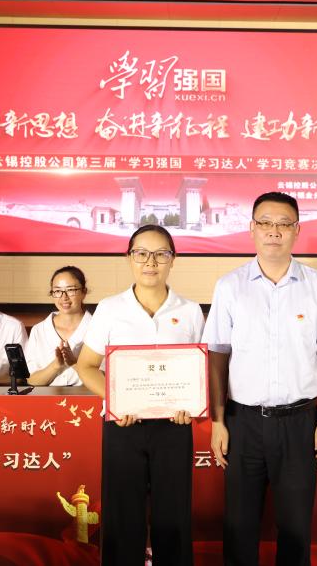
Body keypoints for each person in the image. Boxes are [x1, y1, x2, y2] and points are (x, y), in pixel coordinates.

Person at [205, 192, 317, 566]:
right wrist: (218, 421)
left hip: (299, 422)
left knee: (296, 528)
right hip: (242, 422)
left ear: (297, 230)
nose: (274, 231)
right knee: (239, 526)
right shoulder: (230, 286)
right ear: (252, 228)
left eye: (284, 224)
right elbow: (218, 356)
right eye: (266, 223)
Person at [73, 225, 204, 566]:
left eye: (161, 254)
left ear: (173, 259)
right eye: (141, 254)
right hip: (123, 426)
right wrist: (118, 402)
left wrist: (191, 406)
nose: (151, 262)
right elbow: (86, 366)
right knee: (122, 518)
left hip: (174, 427)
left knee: (173, 517)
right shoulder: (110, 308)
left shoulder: (189, 310)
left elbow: (199, 370)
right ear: (129, 258)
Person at [26, 265, 91, 386]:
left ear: (84, 292)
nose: (64, 297)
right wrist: (55, 366)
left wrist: (74, 363)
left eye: (71, 290)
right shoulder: (39, 330)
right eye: (57, 291)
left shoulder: (98, 327)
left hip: (88, 397)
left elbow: (108, 378)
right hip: (48, 397)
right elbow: (31, 380)